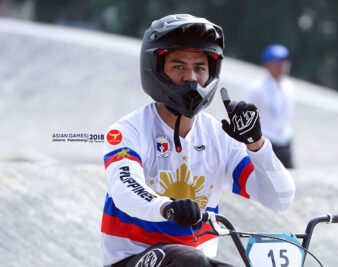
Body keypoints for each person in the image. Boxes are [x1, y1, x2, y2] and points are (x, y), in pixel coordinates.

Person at [100, 14, 295, 267]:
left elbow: (279, 198)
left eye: (200, 68)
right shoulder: (127, 131)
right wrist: (166, 207)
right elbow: (125, 188)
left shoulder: (220, 137)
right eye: (179, 66)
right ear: (156, 70)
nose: (191, 78)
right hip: (132, 258)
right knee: (188, 260)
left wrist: (256, 145)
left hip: (196, 260)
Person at [245, 44, 295, 168]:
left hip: (284, 140)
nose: (282, 65)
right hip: (266, 141)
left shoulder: (290, 87)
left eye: (284, 61)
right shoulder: (256, 88)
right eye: (277, 62)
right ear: (267, 64)